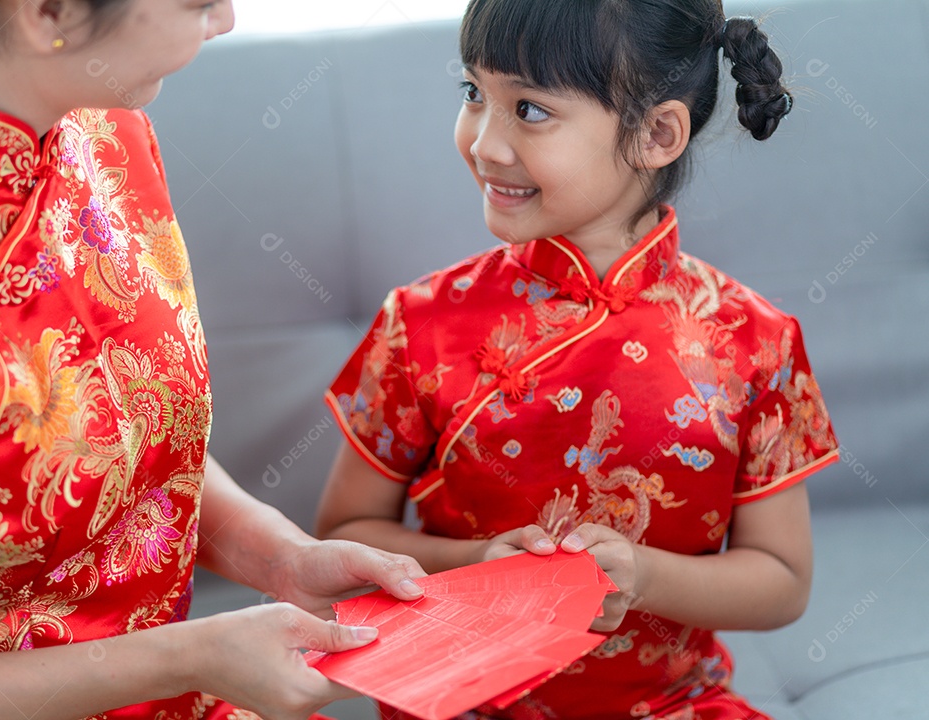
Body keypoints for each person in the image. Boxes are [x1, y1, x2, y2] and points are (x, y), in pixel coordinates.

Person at [0, 2, 427, 719]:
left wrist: (278, 556)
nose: (227, 20)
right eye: (198, 3)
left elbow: (129, 442)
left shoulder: (98, 126)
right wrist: (188, 657)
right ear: (48, 12)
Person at [316, 0, 840, 718]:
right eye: (474, 94)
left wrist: (642, 576)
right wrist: (474, 566)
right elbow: (342, 539)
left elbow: (783, 581)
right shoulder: (419, 323)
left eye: (529, 110)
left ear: (657, 134)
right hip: (458, 705)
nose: (484, 144)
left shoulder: (757, 340)